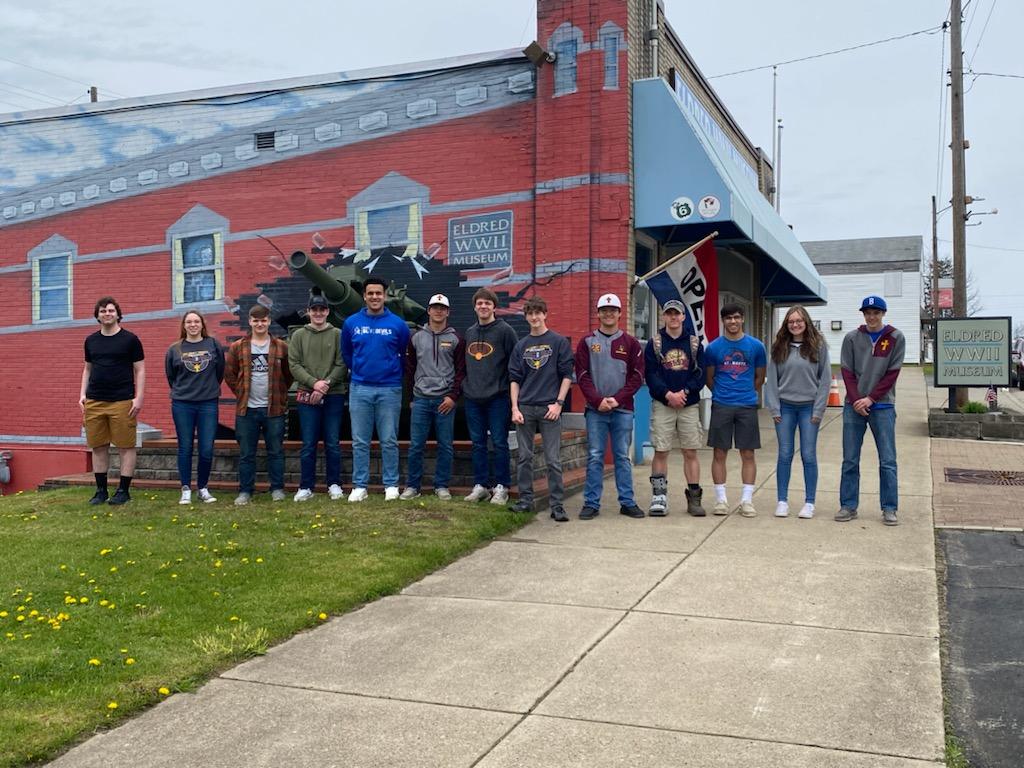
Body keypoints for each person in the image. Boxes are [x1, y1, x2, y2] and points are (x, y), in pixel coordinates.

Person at [836, 295, 905, 525]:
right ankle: (848, 505)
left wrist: (871, 399)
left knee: (887, 460)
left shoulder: (895, 337)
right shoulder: (851, 338)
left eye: (876, 313)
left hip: (883, 406)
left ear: (883, 314)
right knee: (850, 459)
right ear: (863, 315)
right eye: (868, 313)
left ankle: (889, 508)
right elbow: (847, 372)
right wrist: (857, 400)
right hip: (853, 407)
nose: (872, 317)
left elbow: (892, 373)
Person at [575, 293, 645, 520]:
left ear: (620, 313)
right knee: (595, 456)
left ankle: (627, 502)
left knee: (622, 457)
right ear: (598, 314)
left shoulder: (631, 343)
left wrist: (617, 399)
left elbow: (637, 376)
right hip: (595, 410)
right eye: (604, 311)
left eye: (612, 310)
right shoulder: (587, 342)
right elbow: (582, 375)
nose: (608, 314)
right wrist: (598, 401)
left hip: (622, 410)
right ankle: (591, 503)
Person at [342, 276, 410, 502]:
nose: (374, 297)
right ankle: (360, 486)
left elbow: (403, 355)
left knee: (389, 440)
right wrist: (360, 370)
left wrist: (391, 373)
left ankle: (391, 485)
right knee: (360, 441)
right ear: (364, 296)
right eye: (370, 293)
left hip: (389, 389)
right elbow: (347, 354)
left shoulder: (398, 324)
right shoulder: (351, 323)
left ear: (385, 295)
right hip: (360, 388)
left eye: (378, 293)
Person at [508, 296, 574, 521]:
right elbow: (514, 379)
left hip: (549, 409)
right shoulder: (521, 345)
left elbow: (567, 376)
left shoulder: (558, 342)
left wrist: (559, 404)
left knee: (553, 460)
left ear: (545, 314)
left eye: (538, 313)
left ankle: (557, 505)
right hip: (525, 408)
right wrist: (515, 408)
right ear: (526, 316)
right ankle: (525, 501)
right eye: (530, 313)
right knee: (524, 457)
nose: (534, 317)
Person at [764, 306, 831, 520]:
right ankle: (782, 501)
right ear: (786, 324)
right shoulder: (779, 347)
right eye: (791, 321)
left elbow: (825, 379)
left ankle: (809, 503)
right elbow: (772, 380)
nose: (795, 325)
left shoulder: (818, 346)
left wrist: (819, 409)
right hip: (785, 408)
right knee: (784, 454)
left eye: (799, 321)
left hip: (809, 409)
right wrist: (774, 407)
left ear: (806, 322)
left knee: (808, 455)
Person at [79, 296, 145, 506]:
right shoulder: (91, 340)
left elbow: (140, 369)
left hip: (122, 400)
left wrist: (139, 398)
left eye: (110, 310)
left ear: (117, 314)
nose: (107, 314)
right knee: (98, 446)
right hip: (95, 400)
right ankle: (101, 491)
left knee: (126, 446)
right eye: (102, 311)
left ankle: (123, 491)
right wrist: (82, 394)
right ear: (97, 316)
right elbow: (87, 369)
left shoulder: (130, 339)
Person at [224, 304, 293, 505]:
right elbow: (229, 374)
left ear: (269, 321)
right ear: (250, 322)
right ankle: (245, 491)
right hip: (247, 410)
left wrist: (280, 393)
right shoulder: (238, 347)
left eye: (263, 320)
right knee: (246, 454)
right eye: (256, 320)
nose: (260, 324)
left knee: (276, 451)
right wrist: (241, 392)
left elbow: (288, 375)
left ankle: (277, 488)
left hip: (274, 409)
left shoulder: (281, 346)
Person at [644, 300, 706, 517]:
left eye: (676, 313)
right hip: (663, 404)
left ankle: (694, 497)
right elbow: (650, 374)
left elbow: (700, 374)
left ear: (683, 317)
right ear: (663, 316)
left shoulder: (695, 343)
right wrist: (668, 394)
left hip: (688, 405)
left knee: (690, 451)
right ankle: (659, 497)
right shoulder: (655, 343)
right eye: (669, 313)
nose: (673, 317)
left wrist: (685, 392)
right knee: (661, 450)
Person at [401, 294, 466, 500]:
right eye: (435, 307)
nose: (438, 311)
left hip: (444, 400)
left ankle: (441, 485)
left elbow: (461, 371)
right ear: (428, 311)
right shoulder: (416, 337)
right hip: (421, 399)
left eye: (442, 308)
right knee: (416, 446)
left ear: (448, 312)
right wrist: (411, 398)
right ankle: (413, 486)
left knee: (445, 445)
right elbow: (410, 369)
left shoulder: (456, 339)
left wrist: (453, 397)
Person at [705, 303, 767, 517]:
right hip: (722, 404)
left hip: (747, 405)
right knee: (719, 452)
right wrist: (722, 393)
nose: (733, 321)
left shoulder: (756, 346)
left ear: (743, 319)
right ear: (723, 321)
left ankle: (747, 501)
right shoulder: (713, 348)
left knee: (748, 453)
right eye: (728, 318)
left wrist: (746, 393)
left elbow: (760, 377)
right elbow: (709, 378)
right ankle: (721, 500)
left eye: (737, 317)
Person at [462, 288, 519, 504]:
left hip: (498, 397)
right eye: (480, 303)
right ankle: (481, 486)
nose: (483, 306)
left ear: (494, 307)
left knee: (499, 442)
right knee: (478, 444)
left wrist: (512, 396)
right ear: (475, 307)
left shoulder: (505, 331)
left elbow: (515, 364)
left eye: (487, 303)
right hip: (472, 398)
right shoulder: (469, 332)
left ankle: (502, 486)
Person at [288, 292, 346, 502]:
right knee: (308, 443)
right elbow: (294, 364)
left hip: (334, 395)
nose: (318, 313)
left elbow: (342, 363)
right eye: (315, 310)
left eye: (322, 309)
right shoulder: (298, 336)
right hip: (307, 396)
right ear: (309, 312)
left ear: (328, 312)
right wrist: (314, 384)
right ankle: (305, 486)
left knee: (332, 442)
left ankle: (334, 484)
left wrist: (325, 385)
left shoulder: (338, 334)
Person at [165, 309, 225, 505]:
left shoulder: (213, 344)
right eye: (189, 322)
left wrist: (208, 389)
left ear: (202, 324)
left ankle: (203, 488)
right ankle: (185, 489)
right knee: (185, 447)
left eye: (196, 321)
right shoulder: (175, 349)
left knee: (206, 448)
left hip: (208, 403)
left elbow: (220, 372)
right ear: (184, 326)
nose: (193, 325)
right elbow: (171, 377)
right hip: (183, 404)